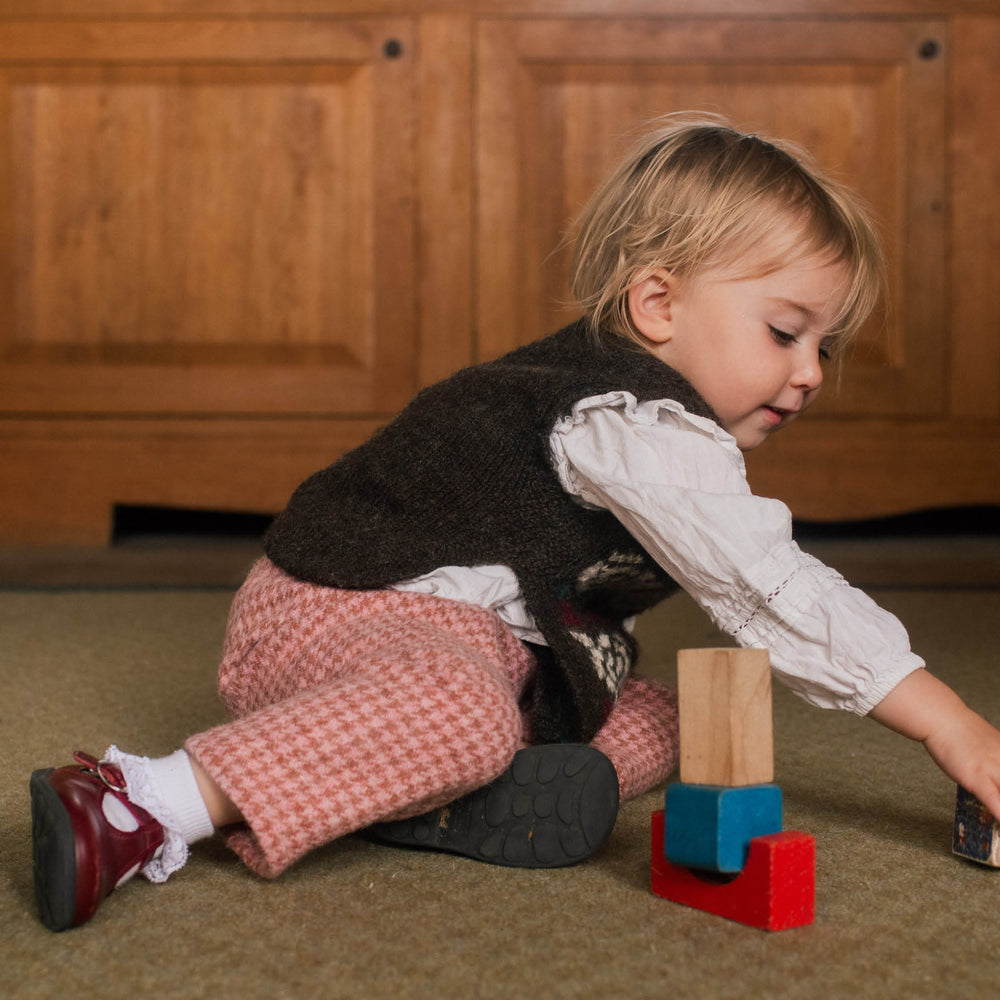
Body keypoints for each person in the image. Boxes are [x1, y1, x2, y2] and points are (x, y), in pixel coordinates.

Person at [30, 113, 1000, 933]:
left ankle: (418, 787)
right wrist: (947, 725)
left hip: (487, 641)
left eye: (826, 345)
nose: (812, 371)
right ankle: (140, 802)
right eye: (786, 333)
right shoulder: (626, 418)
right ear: (656, 302)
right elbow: (766, 586)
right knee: (464, 713)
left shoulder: (663, 418)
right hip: (341, 611)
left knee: (663, 717)